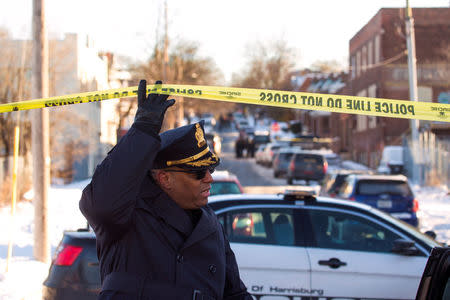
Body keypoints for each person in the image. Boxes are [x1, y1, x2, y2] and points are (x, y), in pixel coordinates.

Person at [79, 80, 252, 300]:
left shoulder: (211, 226)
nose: (209, 178)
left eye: (210, 169)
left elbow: (234, 294)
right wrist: (142, 131)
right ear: (165, 178)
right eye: (198, 173)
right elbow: (100, 202)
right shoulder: (130, 217)